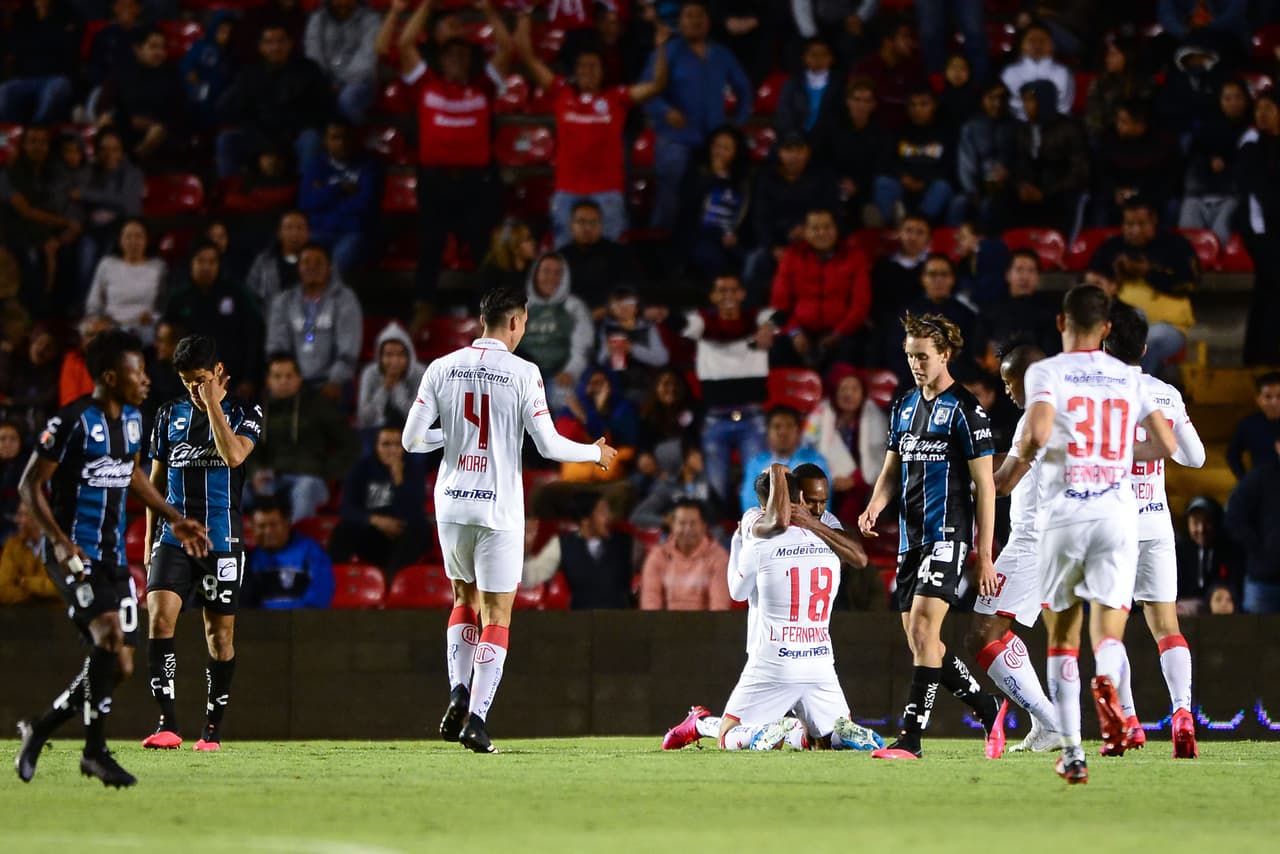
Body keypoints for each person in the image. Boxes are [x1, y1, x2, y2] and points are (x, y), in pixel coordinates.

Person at [401, 285, 619, 753]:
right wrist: (594, 453)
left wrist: (454, 437)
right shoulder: (523, 373)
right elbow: (548, 445)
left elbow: (411, 441)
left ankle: (458, 689)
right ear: (517, 322)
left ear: (483, 320)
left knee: (463, 597)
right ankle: (476, 719)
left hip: (452, 504)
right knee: (498, 614)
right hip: (498, 508)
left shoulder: (442, 368)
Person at [14, 329, 208, 788]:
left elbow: (133, 476)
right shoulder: (72, 421)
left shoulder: (137, 421)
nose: (145, 379)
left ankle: (39, 732)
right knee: (105, 638)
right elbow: (29, 485)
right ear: (109, 376)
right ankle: (94, 753)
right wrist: (60, 543)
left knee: (118, 664)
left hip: (114, 558)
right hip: (73, 554)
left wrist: (173, 517)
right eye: (136, 372)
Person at [1014, 284, 1177, 783]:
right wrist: (1112, 457)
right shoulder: (1129, 377)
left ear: (1063, 322)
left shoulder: (1046, 372)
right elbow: (1165, 444)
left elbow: (1038, 434)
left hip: (1063, 517)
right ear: (1106, 328)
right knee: (1108, 631)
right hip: (1116, 515)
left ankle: (1072, 752)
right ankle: (1108, 680)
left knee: (1062, 639)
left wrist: (1021, 460)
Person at [858, 312, 1008, 761]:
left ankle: (911, 739)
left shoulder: (966, 409)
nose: (916, 364)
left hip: (948, 533)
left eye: (923, 356)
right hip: (909, 537)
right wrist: (874, 506)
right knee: (923, 642)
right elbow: (891, 470)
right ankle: (988, 706)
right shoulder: (904, 404)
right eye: (909, 356)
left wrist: (984, 554)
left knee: (925, 629)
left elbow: (987, 486)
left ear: (945, 354)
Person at [141, 335, 261, 752]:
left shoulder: (246, 411)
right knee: (159, 617)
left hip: (222, 543)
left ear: (219, 372)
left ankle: (211, 730)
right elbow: (154, 485)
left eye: (202, 379)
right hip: (173, 541)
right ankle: (166, 723)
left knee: (220, 639)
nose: (195, 388)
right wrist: (147, 543)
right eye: (188, 382)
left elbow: (232, 457)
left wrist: (212, 405)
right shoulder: (166, 415)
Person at [1103, 305, 1205, 755]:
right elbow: (1195, 458)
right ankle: (1182, 712)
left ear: (1104, 344)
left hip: (1111, 526)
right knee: (1166, 625)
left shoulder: (1097, 396)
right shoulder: (1164, 393)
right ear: (1145, 348)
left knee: (1109, 629)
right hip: (1157, 522)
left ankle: (1129, 721)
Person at [969, 344, 1062, 754]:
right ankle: (1047, 722)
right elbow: (1021, 461)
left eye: (1010, 381)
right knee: (1001, 630)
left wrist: (964, 482)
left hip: (1032, 541)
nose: (1007, 390)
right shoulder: (1065, 409)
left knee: (983, 634)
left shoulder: (1036, 417)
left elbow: (1004, 484)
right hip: (1057, 536)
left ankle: (1052, 721)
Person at [515, 11, 669, 245]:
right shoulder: (561, 94)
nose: (587, 70)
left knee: (610, 257)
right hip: (568, 192)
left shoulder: (617, 98)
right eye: (583, 66)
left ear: (602, 71)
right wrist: (524, 18)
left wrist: (661, 48)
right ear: (575, 71)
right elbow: (528, 58)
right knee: (565, 256)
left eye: (594, 66)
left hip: (607, 194)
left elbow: (657, 85)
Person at [395, 0, 512, 306]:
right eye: (451, 55)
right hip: (435, 181)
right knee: (430, 246)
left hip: (476, 183)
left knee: (482, 248)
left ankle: (489, 313)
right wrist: (426, 7)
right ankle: (423, 306)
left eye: (463, 55)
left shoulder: (483, 86)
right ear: (441, 60)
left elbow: (508, 48)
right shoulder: (426, 84)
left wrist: (488, 10)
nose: (457, 60)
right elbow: (405, 43)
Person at [642, 0, 752, 231]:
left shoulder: (721, 54)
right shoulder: (667, 52)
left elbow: (744, 89)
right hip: (676, 139)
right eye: (689, 16)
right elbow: (647, 92)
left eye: (700, 15)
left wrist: (736, 125)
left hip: (712, 141)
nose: (695, 21)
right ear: (679, 22)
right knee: (670, 195)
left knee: (711, 198)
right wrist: (666, 111)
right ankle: (661, 243)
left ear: (709, 21)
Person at [681, 274, 774, 505]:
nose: (728, 296)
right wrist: (662, 316)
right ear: (712, 296)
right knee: (716, 487)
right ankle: (719, 534)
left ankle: (757, 536)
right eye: (722, 291)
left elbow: (780, 316)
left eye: (733, 290)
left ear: (742, 294)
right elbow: (684, 326)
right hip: (715, 418)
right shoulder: (702, 322)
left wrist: (768, 327)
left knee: (759, 487)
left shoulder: (756, 318)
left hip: (752, 417)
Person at [1088, 199, 1199, 376]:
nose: (1135, 230)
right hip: (1120, 323)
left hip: (1169, 326)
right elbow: (1091, 283)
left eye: (1141, 224)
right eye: (1129, 224)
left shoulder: (1176, 246)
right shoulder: (1110, 249)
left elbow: (1191, 285)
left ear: (1154, 221)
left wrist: (1149, 272)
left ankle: (1135, 391)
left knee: (1146, 340)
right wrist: (1112, 282)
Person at [215, 22, 332, 179]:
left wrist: (278, 146)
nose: (276, 47)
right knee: (226, 141)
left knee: (311, 139)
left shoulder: (308, 70)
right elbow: (233, 112)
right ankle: (229, 192)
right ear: (261, 47)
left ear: (290, 44)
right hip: (260, 138)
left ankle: (306, 194)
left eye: (281, 41)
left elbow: (323, 110)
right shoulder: (249, 74)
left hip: (294, 137)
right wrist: (265, 147)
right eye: (269, 42)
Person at [768, 208, 872, 368]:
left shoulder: (854, 256)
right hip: (800, 330)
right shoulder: (791, 256)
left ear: (836, 229)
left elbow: (860, 304)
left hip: (841, 331)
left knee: (855, 348)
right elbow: (780, 303)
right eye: (815, 228)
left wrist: (838, 333)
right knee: (778, 349)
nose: (822, 233)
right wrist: (795, 332)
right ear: (805, 231)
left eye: (827, 227)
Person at [163, 241, 264, 397]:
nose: (206, 267)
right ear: (191, 263)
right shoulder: (178, 299)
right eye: (201, 261)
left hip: (235, 379)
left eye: (211, 262)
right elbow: (170, 344)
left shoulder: (237, 294)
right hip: (188, 380)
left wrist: (249, 378)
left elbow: (253, 334)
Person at [265, 243, 362, 400]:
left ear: (329, 267)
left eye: (318, 262)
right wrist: (288, 379)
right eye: (306, 262)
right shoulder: (284, 300)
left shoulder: (345, 299)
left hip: (332, 383)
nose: (312, 267)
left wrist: (335, 381)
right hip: (291, 382)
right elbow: (276, 346)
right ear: (298, 267)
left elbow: (348, 350)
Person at [329, 425, 427, 575]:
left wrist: (399, 481)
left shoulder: (414, 470)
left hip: (402, 532)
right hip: (372, 532)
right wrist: (375, 520)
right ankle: (335, 579)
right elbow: (346, 509)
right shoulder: (361, 468)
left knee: (420, 530)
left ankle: (392, 585)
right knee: (343, 529)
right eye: (386, 444)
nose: (392, 450)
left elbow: (416, 511)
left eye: (397, 445)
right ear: (376, 446)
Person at [802, 365, 886, 522]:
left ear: (863, 393)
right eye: (843, 389)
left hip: (864, 485)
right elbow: (808, 449)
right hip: (827, 482)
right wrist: (828, 478)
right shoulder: (821, 414)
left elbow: (881, 459)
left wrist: (855, 479)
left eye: (854, 389)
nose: (849, 394)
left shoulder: (874, 416)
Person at [298, 120, 379, 276]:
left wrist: (324, 198)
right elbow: (306, 203)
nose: (341, 143)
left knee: (337, 267)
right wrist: (339, 189)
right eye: (335, 138)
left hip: (351, 232)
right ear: (325, 141)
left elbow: (365, 204)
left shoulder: (368, 166)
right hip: (319, 231)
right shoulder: (316, 166)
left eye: (345, 138)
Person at [516, 253, 593, 415]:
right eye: (546, 271)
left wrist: (571, 371)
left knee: (563, 397)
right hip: (523, 376)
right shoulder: (521, 306)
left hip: (560, 375)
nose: (551, 278)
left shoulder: (574, 306)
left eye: (558, 273)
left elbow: (583, 347)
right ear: (535, 274)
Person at [1178, 78, 1250, 245]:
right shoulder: (1205, 131)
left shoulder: (1252, 131)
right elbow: (1193, 163)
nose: (1233, 103)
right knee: (1188, 236)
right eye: (1227, 98)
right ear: (1219, 100)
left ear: (1247, 100)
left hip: (1233, 196)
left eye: (1238, 97)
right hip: (1199, 194)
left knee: (1220, 234)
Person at [99, 26, 187, 161]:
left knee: (157, 133)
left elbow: (178, 112)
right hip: (125, 129)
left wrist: (152, 124)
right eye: (153, 47)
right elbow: (105, 105)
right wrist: (111, 117)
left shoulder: (172, 75)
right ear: (137, 49)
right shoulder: (122, 73)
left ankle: (132, 161)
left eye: (162, 47)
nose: (159, 52)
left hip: (160, 133)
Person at [871, 87, 957, 226]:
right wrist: (903, 177)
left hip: (931, 185)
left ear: (934, 105)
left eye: (923, 104)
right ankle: (888, 227)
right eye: (913, 104)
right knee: (882, 183)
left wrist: (924, 181)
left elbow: (949, 166)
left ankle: (918, 226)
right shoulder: (899, 131)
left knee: (943, 187)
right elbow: (888, 161)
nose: (918, 109)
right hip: (904, 184)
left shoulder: (946, 133)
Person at [1237, 90, 1280, 365]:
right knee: (1272, 290)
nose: (1262, 114)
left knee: (1268, 291)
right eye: (1259, 109)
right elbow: (1256, 194)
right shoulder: (1252, 142)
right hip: (1262, 231)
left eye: (1269, 108)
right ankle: (1262, 359)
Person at [242, 496, 335, 609]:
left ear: (287, 524)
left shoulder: (311, 552)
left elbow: (320, 596)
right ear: (252, 528)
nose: (267, 531)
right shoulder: (248, 559)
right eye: (261, 526)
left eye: (273, 525)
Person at [84, 218, 167, 344]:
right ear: (120, 240)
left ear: (146, 240)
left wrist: (154, 318)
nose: (133, 241)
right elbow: (94, 303)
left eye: (138, 236)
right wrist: (98, 320)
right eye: (128, 236)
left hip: (144, 328)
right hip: (111, 326)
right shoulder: (107, 264)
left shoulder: (158, 266)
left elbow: (164, 304)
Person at [827, 77, 894, 230]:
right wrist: (839, 181)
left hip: (866, 189)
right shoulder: (831, 128)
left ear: (874, 105)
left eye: (867, 101)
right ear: (847, 101)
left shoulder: (882, 133)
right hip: (835, 185)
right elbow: (822, 161)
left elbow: (883, 167)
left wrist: (858, 184)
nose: (861, 105)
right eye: (856, 99)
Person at [639, 499, 729, 611]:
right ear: (672, 526)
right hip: (664, 625)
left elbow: (719, 606)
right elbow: (650, 603)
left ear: (704, 526)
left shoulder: (718, 557)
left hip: (706, 626)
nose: (687, 529)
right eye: (682, 523)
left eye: (693, 523)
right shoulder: (658, 556)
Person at [304, 0, 381, 126]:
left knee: (348, 99)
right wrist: (325, 81)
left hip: (359, 81)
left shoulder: (371, 20)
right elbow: (313, 54)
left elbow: (367, 57)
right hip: (324, 80)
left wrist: (340, 83)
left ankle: (357, 137)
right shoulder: (317, 19)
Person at [1225, 437, 1280, 614]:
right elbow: (1233, 516)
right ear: (1277, 446)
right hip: (1263, 581)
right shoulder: (1260, 478)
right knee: (1255, 640)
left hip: (1262, 578)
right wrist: (1259, 548)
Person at [738, 406, 827, 514]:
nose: (783, 432)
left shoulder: (816, 461)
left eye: (789, 426)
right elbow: (750, 507)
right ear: (768, 433)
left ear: (799, 432)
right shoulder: (756, 463)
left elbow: (823, 507)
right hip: (766, 527)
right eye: (777, 426)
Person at [0, 0, 77, 125]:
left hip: (56, 77)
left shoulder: (66, 12)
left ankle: (35, 129)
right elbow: (16, 48)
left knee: (54, 89)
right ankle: (13, 132)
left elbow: (68, 48)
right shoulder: (23, 14)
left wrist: (46, 18)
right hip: (26, 78)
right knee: (4, 91)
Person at [556, 200, 639, 313]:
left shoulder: (618, 253)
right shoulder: (560, 257)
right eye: (581, 222)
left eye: (593, 222)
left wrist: (607, 310)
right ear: (571, 225)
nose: (588, 228)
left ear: (601, 225)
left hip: (611, 315)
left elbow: (630, 290)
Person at [956, 79, 1015, 229]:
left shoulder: (1016, 126)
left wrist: (1009, 174)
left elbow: (1021, 160)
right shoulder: (971, 127)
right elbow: (966, 164)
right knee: (960, 203)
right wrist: (972, 191)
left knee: (993, 203)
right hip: (979, 186)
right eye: (991, 98)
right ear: (982, 99)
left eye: (1001, 98)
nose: (997, 103)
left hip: (1010, 185)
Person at [981, 249, 1060, 361]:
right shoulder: (990, 309)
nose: (1025, 277)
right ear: (1008, 275)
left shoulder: (1050, 311)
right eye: (1019, 270)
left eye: (1031, 271)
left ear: (1038, 277)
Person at [355, 322, 421, 436]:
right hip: (376, 431)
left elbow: (419, 419)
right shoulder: (370, 373)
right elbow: (364, 418)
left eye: (400, 355)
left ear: (409, 356)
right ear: (380, 357)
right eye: (389, 355)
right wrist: (384, 389)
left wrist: (397, 387)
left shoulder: (419, 374)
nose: (394, 361)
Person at [1176, 495, 1241, 608]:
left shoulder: (1230, 551)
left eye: (1207, 522)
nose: (1201, 529)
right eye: (1195, 523)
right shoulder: (1179, 552)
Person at [1001, 21, 1074, 121]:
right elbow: (1012, 106)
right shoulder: (1010, 73)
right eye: (1032, 41)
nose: (1037, 45)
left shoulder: (1062, 73)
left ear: (1052, 45)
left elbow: (1063, 107)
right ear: (1022, 45)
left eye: (1042, 40)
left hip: (1055, 127)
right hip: (1019, 128)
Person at [245, 210, 310, 308]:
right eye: (289, 228)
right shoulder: (264, 261)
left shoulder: (321, 261)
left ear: (308, 233)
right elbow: (250, 294)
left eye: (300, 228)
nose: (294, 233)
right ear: (279, 233)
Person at [0, 503, 61, 605]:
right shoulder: (13, 544)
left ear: (38, 519)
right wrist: (39, 595)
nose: (16, 520)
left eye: (22, 515)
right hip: (21, 617)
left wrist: (23, 582)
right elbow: (2, 590)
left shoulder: (59, 547)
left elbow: (59, 589)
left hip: (56, 618)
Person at [1226, 372, 1280, 479]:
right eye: (1268, 397)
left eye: (1279, 396)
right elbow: (1232, 455)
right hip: (1263, 487)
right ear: (1258, 399)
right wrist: (1245, 481)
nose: (1274, 402)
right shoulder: (1249, 425)